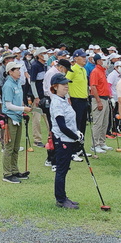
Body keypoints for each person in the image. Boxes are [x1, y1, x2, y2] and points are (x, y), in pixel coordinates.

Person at [49, 72, 79, 208]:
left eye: (67, 84)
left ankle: (63, 196)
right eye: (63, 84)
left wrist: (76, 134)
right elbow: (61, 126)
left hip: (69, 139)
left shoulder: (64, 99)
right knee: (61, 170)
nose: (66, 86)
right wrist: (76, 137)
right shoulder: (56, 102)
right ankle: (60, 199)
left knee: (65, 169)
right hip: (62, 140)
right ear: (55, 87)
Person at [1, 61, 32, 183]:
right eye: (16, 70)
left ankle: (14, 170)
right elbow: (8, 105)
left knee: (16, 147)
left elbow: (18, 101)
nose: (19, 72)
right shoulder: (8, 85)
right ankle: (7, 173)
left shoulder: (18, 83)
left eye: (19, 69)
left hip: (18, 117)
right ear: (10, 72)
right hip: (10, 117)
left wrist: (22, 111)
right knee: (9, 147)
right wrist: (23, 109)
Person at [66, 49, 89, 158]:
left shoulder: (83, 70)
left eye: (85, 57)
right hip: (76, 100)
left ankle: (80, 148)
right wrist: (68, 97)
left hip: (84, 100)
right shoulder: (72, 69)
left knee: (83, 125)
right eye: (82, 57)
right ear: (75, 58)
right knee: (76, 125)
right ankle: (73, 150)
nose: (85, 59)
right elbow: (65, 83)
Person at [88, 54, 112, 154]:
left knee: (104, 122)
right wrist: (98, 101)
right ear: (98, 61)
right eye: (103, 60)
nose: (106, 62)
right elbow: (93, 87)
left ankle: (102, 142)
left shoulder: (103, 71)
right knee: (98, 122)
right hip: (99, 99)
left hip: (105, 98)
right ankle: (95, 144)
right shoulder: (95, 71)